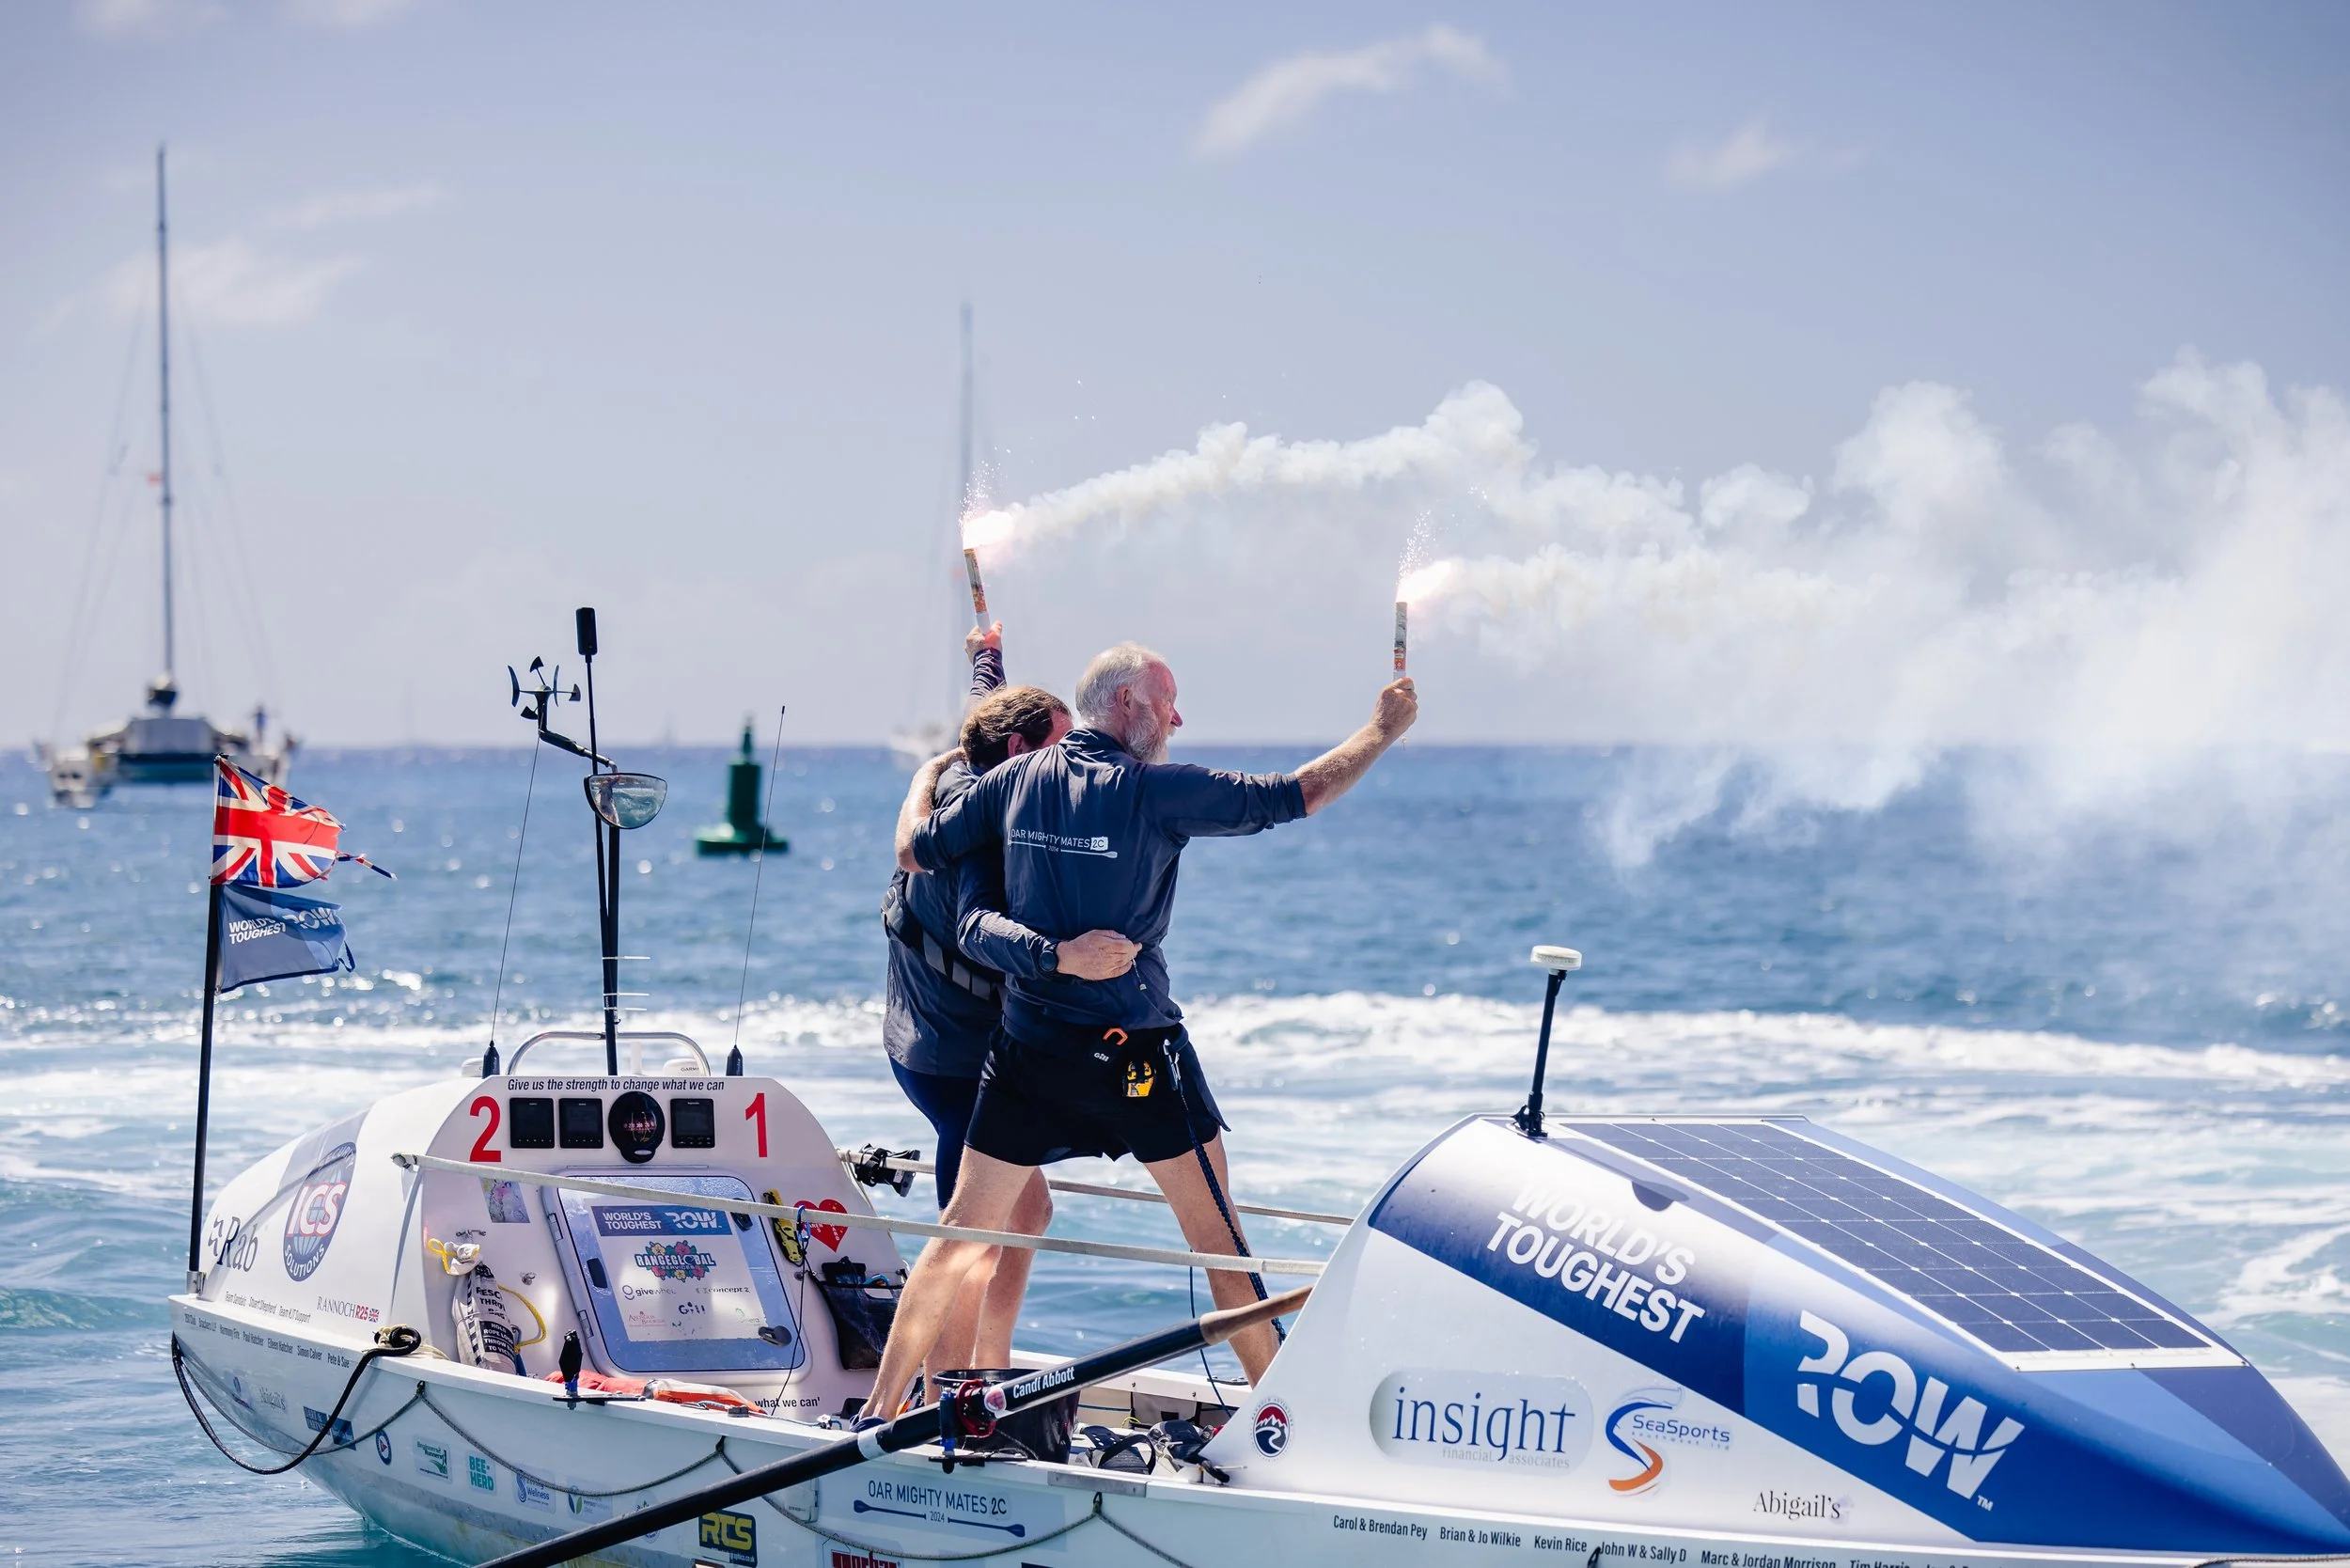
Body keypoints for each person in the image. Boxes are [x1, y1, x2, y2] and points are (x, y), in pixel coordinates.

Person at [867, 642, 1418, 1411]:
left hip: (1029, 1051)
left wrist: (935, 766)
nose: (1177, 718)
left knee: (960, 1236)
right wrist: (1381, 731)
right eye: (1168, 702)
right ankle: (1283, 1419)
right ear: (1126, 704)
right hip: (1136, 1057)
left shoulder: (1012, 781)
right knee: (1220, 1245)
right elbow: (1295, 794)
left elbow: (919, 852)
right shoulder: (1155, 790)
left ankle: (877, 1416)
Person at [878, 624, 1138, 1394]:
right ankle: (943, 1399)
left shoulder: (991, 763)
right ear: (1021, 753)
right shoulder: (979, 823)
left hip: (966, 1048)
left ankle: (987, 1373)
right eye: (1058, 747)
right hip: (949, 1055)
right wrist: (1064, 957)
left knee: (1026, 1216)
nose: (1071, 761)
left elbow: (986, 714)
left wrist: (985, 656)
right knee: (972, 1238)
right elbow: (971, 921)